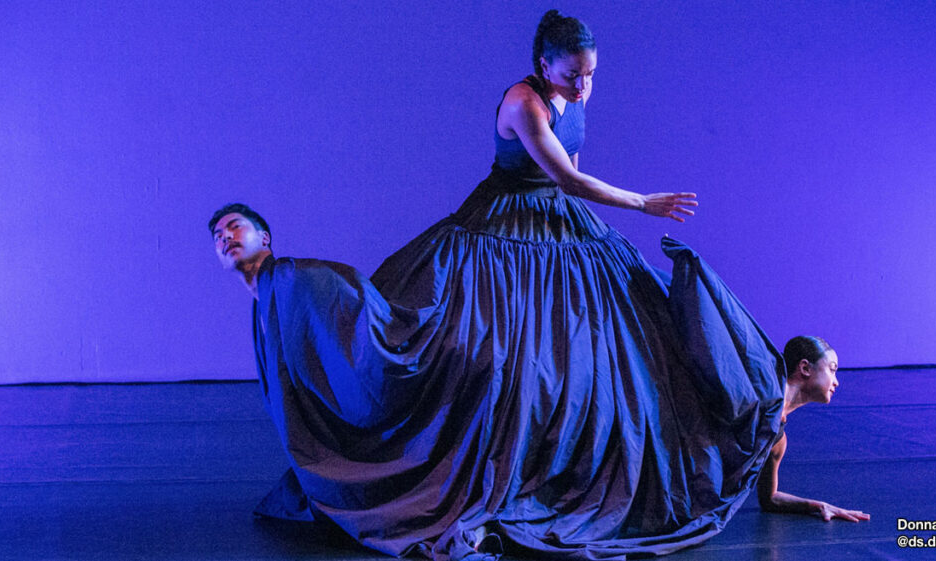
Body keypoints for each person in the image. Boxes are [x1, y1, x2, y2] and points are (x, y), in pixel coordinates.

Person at [205, 10, 829, 560]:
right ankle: (288, 290)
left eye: (590, 74)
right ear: (542, 64)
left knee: (628, 347)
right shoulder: (522, 103)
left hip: (563, 229)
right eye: (571, 75)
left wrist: (590, 230)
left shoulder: (575, 96)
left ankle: (592, 462)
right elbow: (567, 175)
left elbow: (572, 176)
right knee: (477, 353)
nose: (582, 86)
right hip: (499, 229)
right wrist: (645, 203)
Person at [757, 336, 871, 522]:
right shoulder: (756, 395)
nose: (836, 382)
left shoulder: (777, 441)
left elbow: (770, 498)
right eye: (832, 370)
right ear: (805, 368)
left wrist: (818, 505)